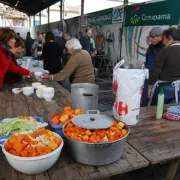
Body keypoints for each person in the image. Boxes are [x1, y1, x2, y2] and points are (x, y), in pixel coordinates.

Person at [148, 27, 180, 104]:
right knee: (172, 112)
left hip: (164, 87)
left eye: (164, 39)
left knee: (156, 111)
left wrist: (149, 87)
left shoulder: (165, 51)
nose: (163, 42)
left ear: (170, 38)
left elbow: (155, 71)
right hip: (178, 89)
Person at [141, 26, 164, 106]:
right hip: (148, 78)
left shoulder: (165, 49)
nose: (151, 40)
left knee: (155, 102)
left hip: (158, 80)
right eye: (150, 37)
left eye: (153, 37)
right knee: (145, 100)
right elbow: (147, 61)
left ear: (161, 36)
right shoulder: (151, 47)